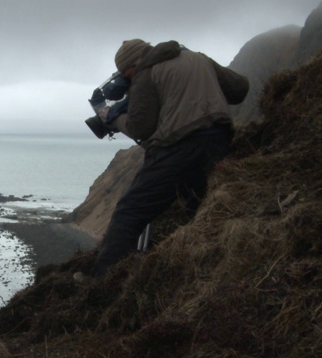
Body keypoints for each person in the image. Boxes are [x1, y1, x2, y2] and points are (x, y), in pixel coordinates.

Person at [91, 39, 249, 278]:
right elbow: (239, 89)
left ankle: (103, 281)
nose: (127, 79)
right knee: (196, 202)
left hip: (179, 147)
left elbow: (140, 128)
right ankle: (203, 272)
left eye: (126, 74)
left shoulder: (146, 72)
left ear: (133, 65)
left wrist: (110, 116)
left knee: (129, 211)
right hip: (219, 139)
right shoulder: (198, 57)